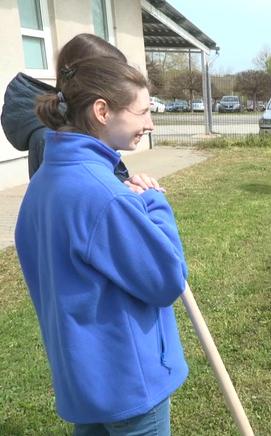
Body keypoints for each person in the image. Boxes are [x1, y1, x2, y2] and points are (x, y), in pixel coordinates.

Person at [15, 54, 189, 434]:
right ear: (102, 111)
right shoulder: (106, 196)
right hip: (129, 385)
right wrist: (155, 203)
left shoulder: (42, 184)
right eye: (142, 112)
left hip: (83, 384)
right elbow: (166, 279)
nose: (150, 123)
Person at [2, 33, 130, 181]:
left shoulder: (76, 123)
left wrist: (128, 184)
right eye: (116, 78)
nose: (121, 87)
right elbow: (80, 197)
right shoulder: (53, 135)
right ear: (92, 78)